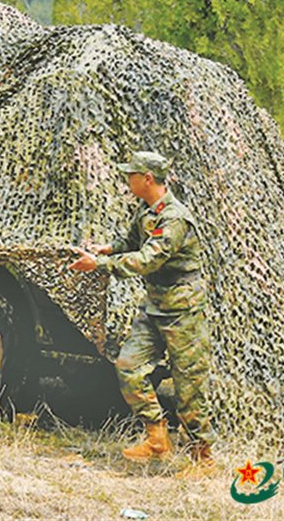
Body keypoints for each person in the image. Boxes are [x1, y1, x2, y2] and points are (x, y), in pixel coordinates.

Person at [69, 151, 216, 477]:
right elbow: (133, 241)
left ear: (147, 179)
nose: (127, 180)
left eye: (131, 175)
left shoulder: (175, 218)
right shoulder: (147, 211)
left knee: (189, 387)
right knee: (128, 366)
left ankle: (203, 460)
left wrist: (101, 265)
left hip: (183, 311)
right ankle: (157, 438)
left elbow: (148, 259)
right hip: (155, 307)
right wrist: (108, 248)